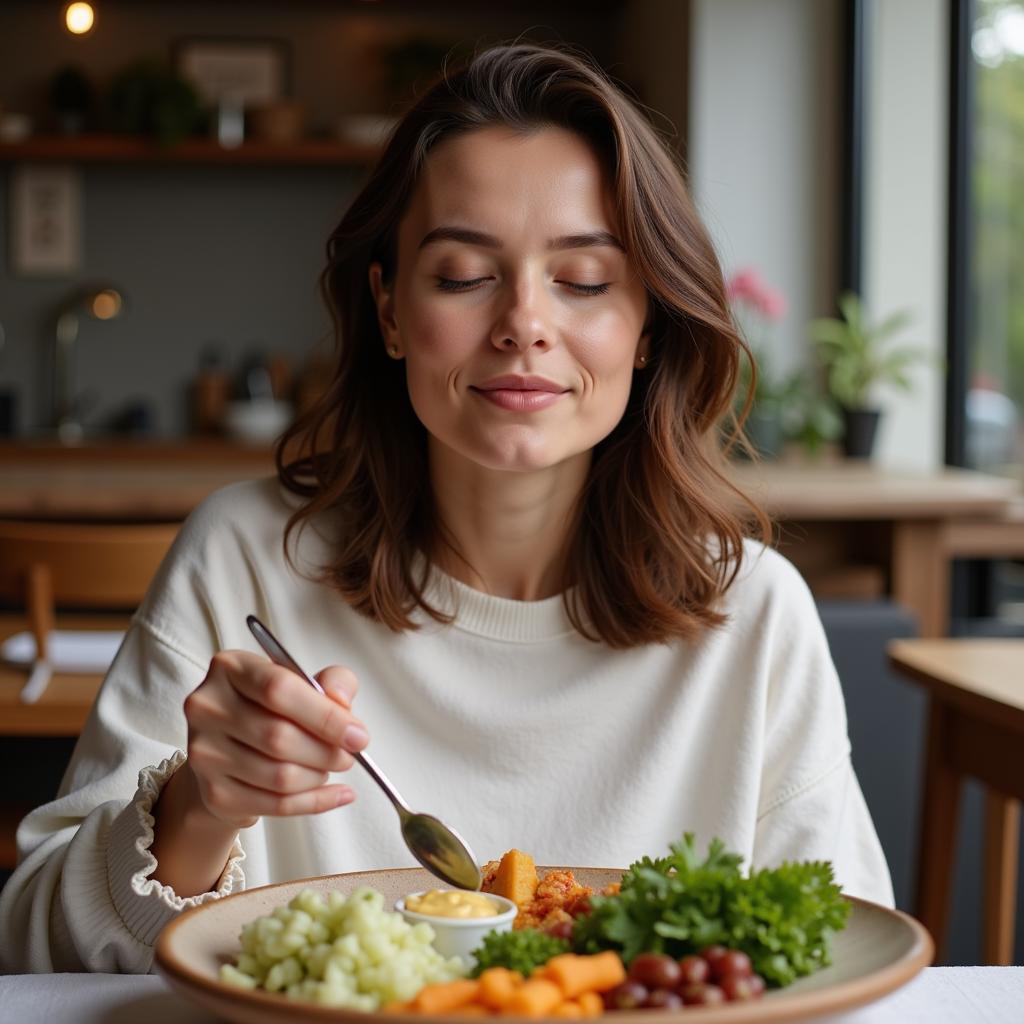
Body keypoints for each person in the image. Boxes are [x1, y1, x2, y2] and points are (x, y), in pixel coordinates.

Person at [0, 44, 893, 975]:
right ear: (388, 310)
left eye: (584, 280)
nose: (525, 322)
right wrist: (198, 811)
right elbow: (30, 955)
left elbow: (845, 959)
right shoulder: (244, 560)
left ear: (648, 325)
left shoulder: (751, 612)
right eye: (465, 274)